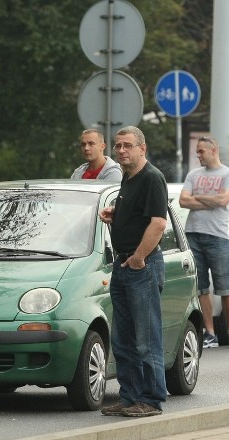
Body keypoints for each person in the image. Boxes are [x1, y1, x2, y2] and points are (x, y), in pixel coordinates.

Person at [98, 126, 168, 417]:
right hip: (122, 265)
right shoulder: (128, 177)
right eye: (118, 146)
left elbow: (158, 223)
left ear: (143, 148)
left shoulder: (152, 178)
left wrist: (139, 257)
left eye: (128, 145)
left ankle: (151, 400)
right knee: (123, 339)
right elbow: (138, 215)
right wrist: (116, 213)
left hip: (142, 267)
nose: (122, 151)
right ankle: (129, 397)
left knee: (146, 338)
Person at [179, 136, 229, 348]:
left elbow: (224, 200)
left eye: (201, 152)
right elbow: (182, 200)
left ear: (213, 150)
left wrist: (198, 198)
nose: (198, 156)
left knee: (226, 286)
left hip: (218, 236)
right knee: (201, 287)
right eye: (197, 152)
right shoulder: (193, 175)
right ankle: (209, 332)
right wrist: (211, 201)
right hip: (193, 234)